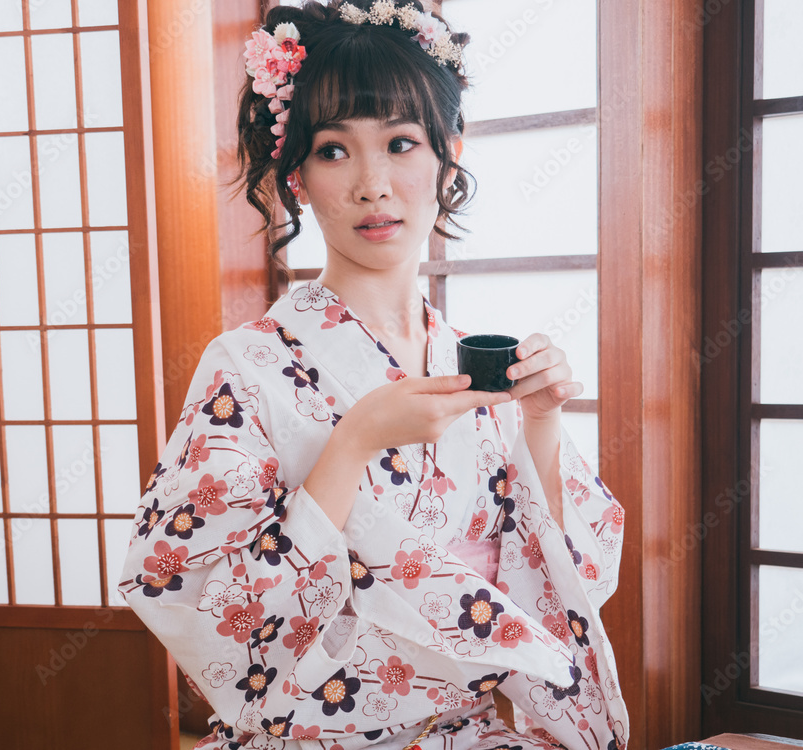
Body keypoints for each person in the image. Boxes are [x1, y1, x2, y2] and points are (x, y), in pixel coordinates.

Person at [118, 2, 628, 748]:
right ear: (295, 175)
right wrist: (354, 442)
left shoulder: (469, 364)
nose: (372, 184)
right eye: (333, 150)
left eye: (401, 143)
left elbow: (559, 576)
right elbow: (190, 592)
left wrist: (542, 419)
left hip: (469, 734)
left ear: (447, 156)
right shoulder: (248, 365)